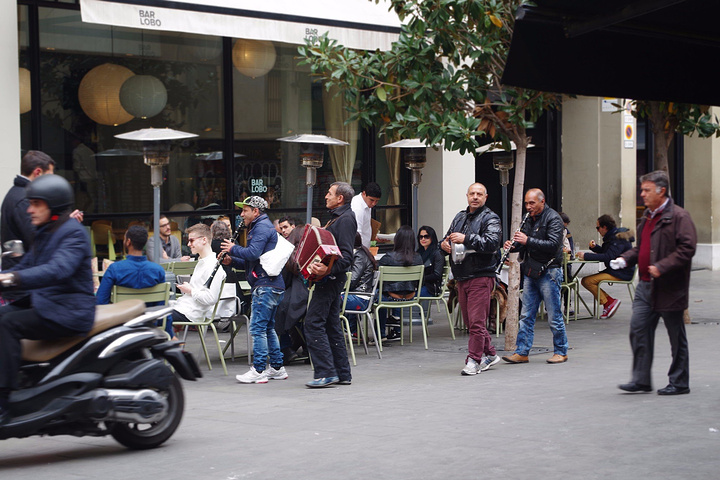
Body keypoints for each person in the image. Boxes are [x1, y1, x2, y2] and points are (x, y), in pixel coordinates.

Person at [0, 175, 95, 425]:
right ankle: (19, 377)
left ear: (53, 206)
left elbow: (56, 270)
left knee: (7, 325)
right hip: (48, 303)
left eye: (36, 203)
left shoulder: (72, 234)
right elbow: (27, 265)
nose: (29, 209)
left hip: (68, 311)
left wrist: (11, 279)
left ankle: (4, 400)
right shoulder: (46, 231)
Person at [613, 171, 697, 395]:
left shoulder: (679, 216)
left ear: (661, 191)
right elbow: (641, 248)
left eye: (646, 190)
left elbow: (687, 248)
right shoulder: (647, 217)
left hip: (669, 287)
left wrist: (662, 266)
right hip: (645, 286)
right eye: (642, 190)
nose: (642, 195)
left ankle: (679, 382)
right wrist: (625, 259)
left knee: (675, 336)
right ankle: (641, 380)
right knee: (638, 329)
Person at [221, 196, 287, 384]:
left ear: (255, 212)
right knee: (267, 327)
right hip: (272, 284)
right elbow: (254, 261)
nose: (242, 214)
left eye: (245, 210)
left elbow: (252, 253)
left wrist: (233, 249)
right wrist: (232, 260)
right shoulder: (261, 227)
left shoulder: (260, 228)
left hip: (265, 286)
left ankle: (258, 370)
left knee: (257, 328)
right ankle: (276, 367)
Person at [441, 183, 502, 375]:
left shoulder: (490, 217)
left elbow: (492, 243)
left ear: (485, 197)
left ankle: (474, 360)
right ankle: (490, 354)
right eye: (472, 194)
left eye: (479, 194)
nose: (475, 197)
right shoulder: (460, 216)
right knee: (470, 322)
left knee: (476, 322)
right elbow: (447, 238)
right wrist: (444, 245)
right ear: (467, 196)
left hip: (481, 274)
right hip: (461, 275)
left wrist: (466, 238)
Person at [502, 188, 569, 365]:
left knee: (554, 315)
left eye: (532, 203)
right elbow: (523, 245)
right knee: (526, 315)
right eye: (526, 203)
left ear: (542, 201)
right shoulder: (528, 219)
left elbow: (554, 245)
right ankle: (522, 352)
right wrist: (513, 246)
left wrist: (527, 240)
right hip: (532, 271)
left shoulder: (553, 218)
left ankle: (561, 351)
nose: (528, 206)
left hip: (549, 271)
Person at [303, 182, 356, 388]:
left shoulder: (344, 220)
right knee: (331, 325)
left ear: (340, 198)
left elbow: (345, 257)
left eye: (329, 193)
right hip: (331, 278)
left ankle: (325, 372)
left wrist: (327, 270)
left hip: (331, 279)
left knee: (313, 322)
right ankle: (342, 373)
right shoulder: (339, 217)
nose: (326, 196)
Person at [169, 223, 226, 343]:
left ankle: (173, 346)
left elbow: (211, 298)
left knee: (152, 318)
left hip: (190, 313)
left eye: (191, 240)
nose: (189, 244)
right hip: (184, 308)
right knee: (149, 313)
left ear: (204, 240)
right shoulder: (202, 262)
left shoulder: (213, 267)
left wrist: (190, 290)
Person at [1, 151, 55, 271]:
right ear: (38, 172)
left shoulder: (16, 193)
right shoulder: (25, 199)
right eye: (49, 176)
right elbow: (34, 237)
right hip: (22, 273)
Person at [577, 214, 634, 318]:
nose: (597, 230)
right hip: (618, 270)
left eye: (598, 227)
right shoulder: (612, 237)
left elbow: (609, 256)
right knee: (586, 281)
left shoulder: (617, 238)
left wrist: (586, 255)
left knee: (587, 281)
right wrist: (595, 248)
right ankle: (608, 302)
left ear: (604, 227)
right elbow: (608, 252)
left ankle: (608, 302)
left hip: (622, 272)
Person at [377, 225, 423, 341]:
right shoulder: (418, 259)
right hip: (411, 297)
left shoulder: (387, 258)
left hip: (390, 298)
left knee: (378, 297)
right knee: (399, 288)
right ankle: (396, 330)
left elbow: (377, 278)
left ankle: (380, 334)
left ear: (397, 240)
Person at [343, 233, 378, 332]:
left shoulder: (359, 256)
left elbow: (352, 280)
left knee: (329, 301)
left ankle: (342, 333)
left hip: (360, 298)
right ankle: (350, 331)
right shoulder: (360, 253)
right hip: (360, 295)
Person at [350, 182, 381, 249]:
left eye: (376, 201)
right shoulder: (357, 208)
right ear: (364, 193)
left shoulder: (366, 203)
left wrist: (374, 236)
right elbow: (357, 233)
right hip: (359, 250)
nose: (373, 204)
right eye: (371, 200)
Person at [417, 226, 445, 298]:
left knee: (408, 297)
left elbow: (437, 275)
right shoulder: (418, 252)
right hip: (417, 285)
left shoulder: (437, 253)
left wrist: (420, 279)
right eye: (421, 237)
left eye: (426, 236)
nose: (423, 239)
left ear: (432, 237)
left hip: (431, 287)